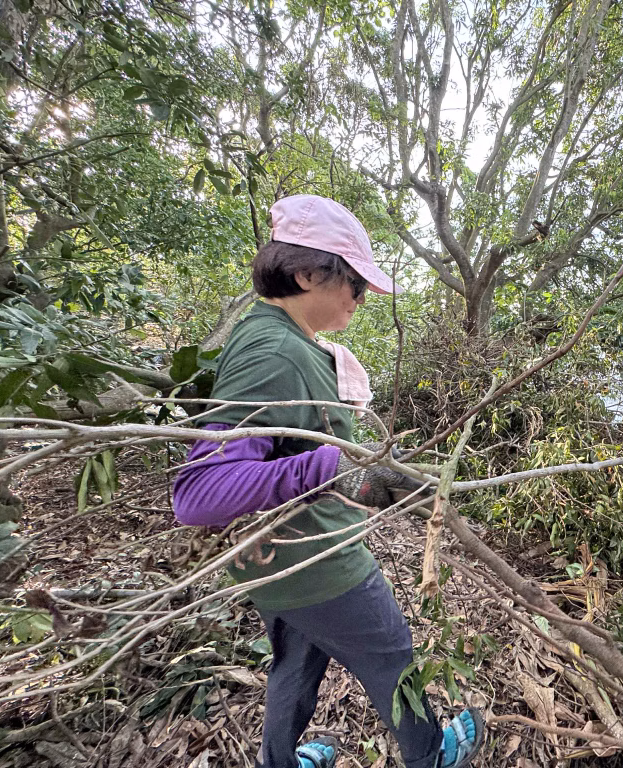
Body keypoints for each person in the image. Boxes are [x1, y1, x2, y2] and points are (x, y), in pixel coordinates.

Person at [171, 195, 484, 768]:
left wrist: (378, 468)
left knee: (296, 661)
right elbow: (198, 494)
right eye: (354, 284)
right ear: (306, 274)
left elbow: (295, 443)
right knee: (392, 653)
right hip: (321, 564)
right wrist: (333, 469)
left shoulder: (280, 337)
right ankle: (432, 755)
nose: (360, 299)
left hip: (278, 564)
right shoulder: (275, 351)